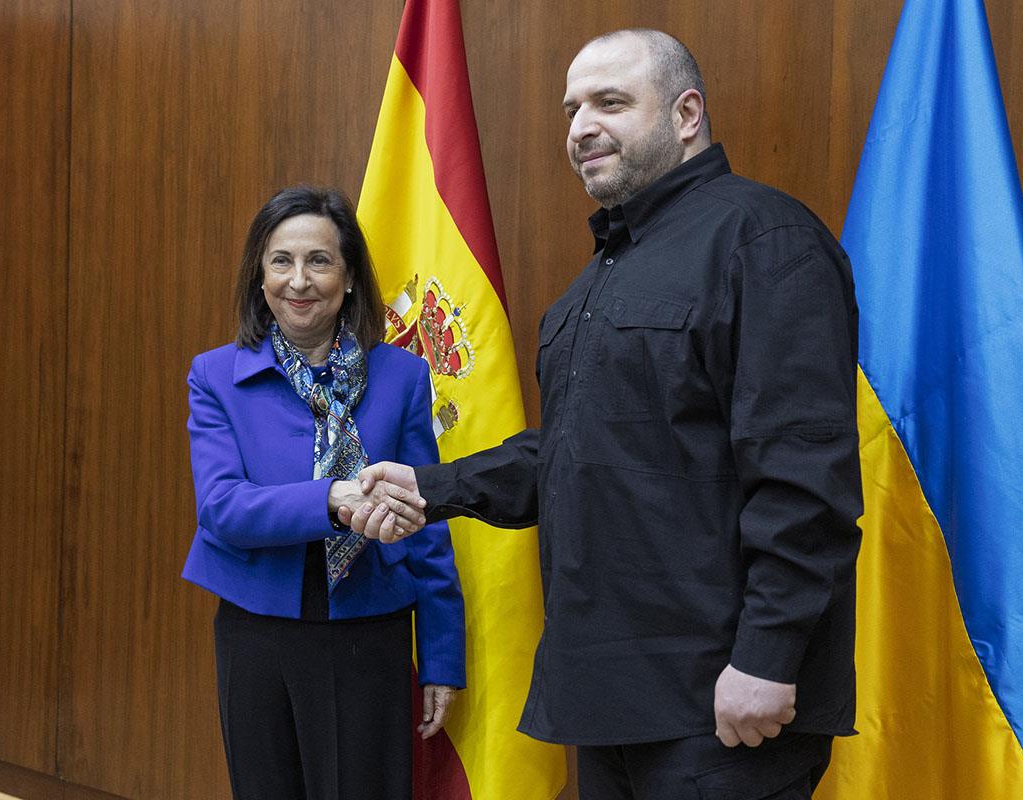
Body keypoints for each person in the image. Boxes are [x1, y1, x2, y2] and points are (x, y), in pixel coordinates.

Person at [346, 28, 861, 800]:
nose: (580, 126)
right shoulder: (598, 279)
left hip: (721, 704)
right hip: (609, 698)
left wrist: (768, 654)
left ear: (686, 115)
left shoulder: (763, 239)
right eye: (571, 108)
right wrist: (431, 489)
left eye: (610, 102)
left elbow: (804, 472)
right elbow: (574, 451)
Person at [182, 186, 465, 800]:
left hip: (371, 633)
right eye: (281, 261)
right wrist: (333, 499)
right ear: (259, 278)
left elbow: (429, 521)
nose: (299, 280)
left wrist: (442, 654)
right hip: (256, 637)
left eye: (319, 260)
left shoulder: (404, 376)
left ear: (351, 278)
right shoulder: (215, 377)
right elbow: (223, 508)